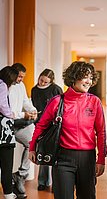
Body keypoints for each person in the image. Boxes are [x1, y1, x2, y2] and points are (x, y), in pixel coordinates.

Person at [29, 61, 107, 199]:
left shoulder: (94, 102)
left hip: (87, 159)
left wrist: (101, 159)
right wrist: (32, 148)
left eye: (91, 78)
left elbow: (101, 132)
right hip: (62, 158)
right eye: (85, 77)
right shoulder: (57, 101)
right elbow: (41, 126)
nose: (89, 81)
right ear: (74, 78)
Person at [8, 63, 37, 198]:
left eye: (22, 77)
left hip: (19, 123)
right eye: (19, 76)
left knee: (33, 143)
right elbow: (9, 111)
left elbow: (25, 100)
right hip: (7, 125)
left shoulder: (21, 85)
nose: (20, 79)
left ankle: (20, 175)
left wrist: (32, 110)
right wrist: (23, 115)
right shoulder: (5, 86)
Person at [31, 68, 63, 191]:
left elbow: (61, 106)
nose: (42, 83)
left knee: (55, 154)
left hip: (54, 125)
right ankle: (43, 181)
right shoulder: (34, 90)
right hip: (40, 124)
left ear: (51, 81)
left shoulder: (56, 89)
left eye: (45, 82)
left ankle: (57, 184)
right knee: (43, 153)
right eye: (41, 80)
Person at [0, 66, 18, 199]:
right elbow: (3, 105)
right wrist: (11, 114)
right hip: (3, 131)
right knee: (7, 163)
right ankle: (8, 193)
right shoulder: (2, 85)